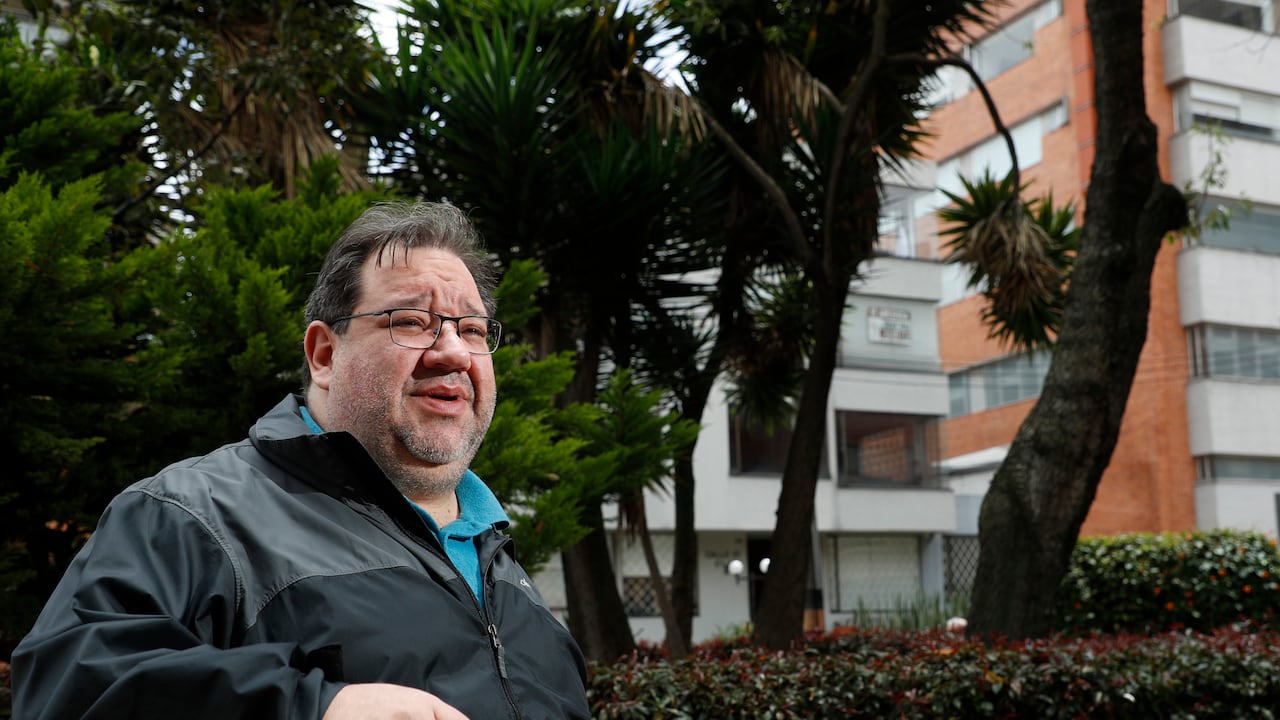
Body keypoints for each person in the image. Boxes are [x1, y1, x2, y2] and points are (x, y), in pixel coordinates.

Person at [11, 201, 591, 719]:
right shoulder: (193, 515)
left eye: (471, 328)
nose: (452, 352)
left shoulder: (507, 574)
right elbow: (69, 688)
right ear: (324, 354)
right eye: (412, 322)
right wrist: (315, 706)